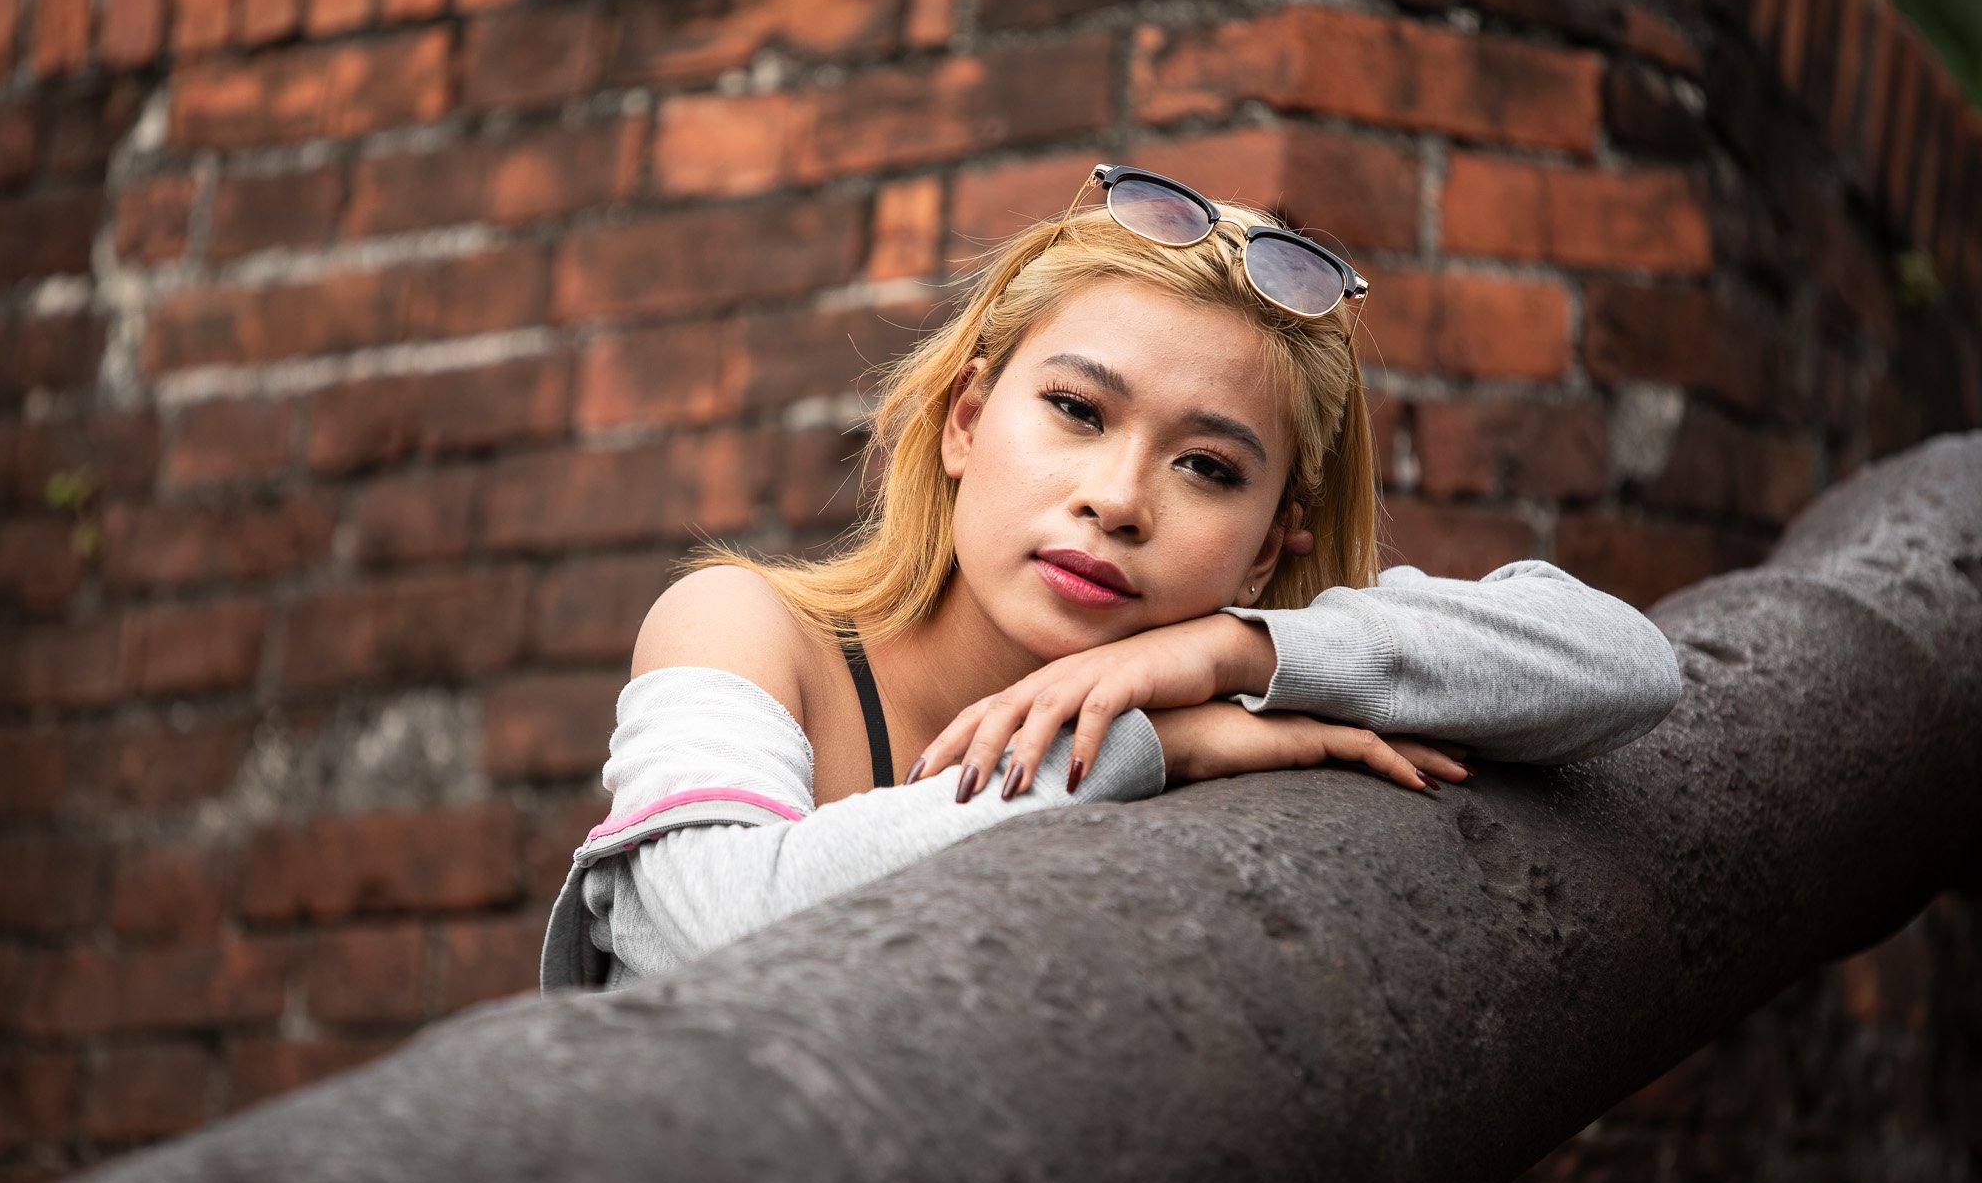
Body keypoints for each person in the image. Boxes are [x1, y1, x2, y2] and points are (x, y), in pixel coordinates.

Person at [540, 163, 1683, 991]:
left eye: (1206, 465)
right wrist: (1154, 741)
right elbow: (701, 929)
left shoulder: (1239, 674)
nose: (1120, 497)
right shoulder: (747, 627)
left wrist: (1236, 651)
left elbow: (1621, 664)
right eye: (1076, 411)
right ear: (966, 419)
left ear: (1270, 536)